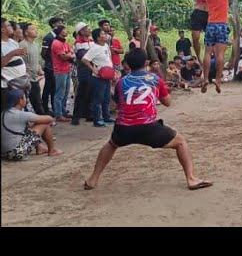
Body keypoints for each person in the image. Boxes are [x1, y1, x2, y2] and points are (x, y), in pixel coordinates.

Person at [83, 48, 212, 191]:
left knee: (111, 145)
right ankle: (191, 179)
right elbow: (167, 102)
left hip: (124, 127)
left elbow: (120, 103)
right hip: (148, 127)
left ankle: (93, 179)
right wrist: (165, 91)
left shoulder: (122, 81)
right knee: (181, 142)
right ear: (146, 63)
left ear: (128, 65)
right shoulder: (155, 79)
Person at [201, 0, 230, 94]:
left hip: (211, 25)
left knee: (207, 53)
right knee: (220, 55)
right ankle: (218, 80)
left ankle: (205, 78)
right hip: (222, 25)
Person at [2, 89, 62, 160]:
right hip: (16, 153)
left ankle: (40, 147)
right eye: (24, 97)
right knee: (44, 123)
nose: (26, 100)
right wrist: (37, 122)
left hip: (3, 154)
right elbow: (49, 119)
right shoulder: (21, 114)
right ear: (20, 101)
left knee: (29, 128)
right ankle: (51, 151)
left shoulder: (3, 113)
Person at [82, 28, 115, 128]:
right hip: (98, 77)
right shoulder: (94, 48)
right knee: (98, 99)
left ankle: (106, 117)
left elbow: (108, 59)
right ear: (98, 37)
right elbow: (85, 59)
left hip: (107, 76)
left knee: (106, 98)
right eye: (103, 34)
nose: (105, 35)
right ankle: (97, 119)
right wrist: (93, 69)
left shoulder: (105, 45)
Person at [1, 18, 29, 111]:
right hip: (7, 84)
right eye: (8, 25)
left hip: (19, 81)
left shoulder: (12, 42)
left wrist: (20, 53)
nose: (11, 27)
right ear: (2, 29)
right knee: (9, 108)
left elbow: (16, 56)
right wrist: (13, 53)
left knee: (20, 105)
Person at [19, 23, 45, 115]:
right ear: (26, 32)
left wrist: (39, 70)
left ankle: (42, 120)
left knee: (37, 101)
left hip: (34, 78)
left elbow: (37, 60)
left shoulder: (36, 45)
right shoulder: (22, 45)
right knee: (23, 102)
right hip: (25, 79)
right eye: (32, 29)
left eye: (35, 29)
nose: (35, 31)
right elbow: (21, 63)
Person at [70, 23, 94, 125]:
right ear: (81, 31)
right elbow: (82, 56)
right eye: (87, 29)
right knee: (82, 93)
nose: (89, 30)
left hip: (91, 68)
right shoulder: (78, 43)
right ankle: (76, 117)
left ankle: (88, 114)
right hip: (84, 70)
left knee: (90, 92)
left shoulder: (91, 41)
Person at [40, 16, 64, 115]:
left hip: (57, 67)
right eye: (60, 22)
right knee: (48, 88)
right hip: (50, 67)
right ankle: (45, 108)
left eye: (62, 22)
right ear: (54, 25)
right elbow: (43, 53)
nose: (62, 24)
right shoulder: (49, 37)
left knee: (55, 88)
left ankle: (56, 109)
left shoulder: (59, 37)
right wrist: (51, 63)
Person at [51, 26, 74, 122]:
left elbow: (72, 54)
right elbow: (64, 57)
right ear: (59, 32)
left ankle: (63, 111)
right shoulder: (56, 43)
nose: (66, 31)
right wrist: (69, 54)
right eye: (64, 30)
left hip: (67, 69)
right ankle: (58, 114)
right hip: (60, 70)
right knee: (59, 93)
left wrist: (69, 55)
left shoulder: (64, 43)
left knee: (65, 92)